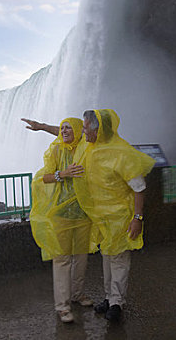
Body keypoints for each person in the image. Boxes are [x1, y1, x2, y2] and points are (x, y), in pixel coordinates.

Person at [72, 109, 155, 322]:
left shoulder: (121, 152)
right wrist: (42, 127)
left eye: (86, 127)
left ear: (97, 129)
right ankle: (110, 298)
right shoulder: (90, 148)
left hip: (121, 217)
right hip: (102, 218)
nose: (83, 131)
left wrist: (137, 219)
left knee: (118, 260)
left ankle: (117, 302)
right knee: (107, 257)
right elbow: (68, 134)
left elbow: (139, 188)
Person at [25, 117, 99, 323]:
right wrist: (63, 174)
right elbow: (45, 177)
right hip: (61, 214)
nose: (65, 131)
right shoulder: (56, 151)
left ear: (77, 131)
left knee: (81, 257)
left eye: (69, 128)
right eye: (62, 128)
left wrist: (43, 127)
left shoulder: (85, 147)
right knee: (62, 259)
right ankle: (63, 306)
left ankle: (77, 294)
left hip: (83, 213)